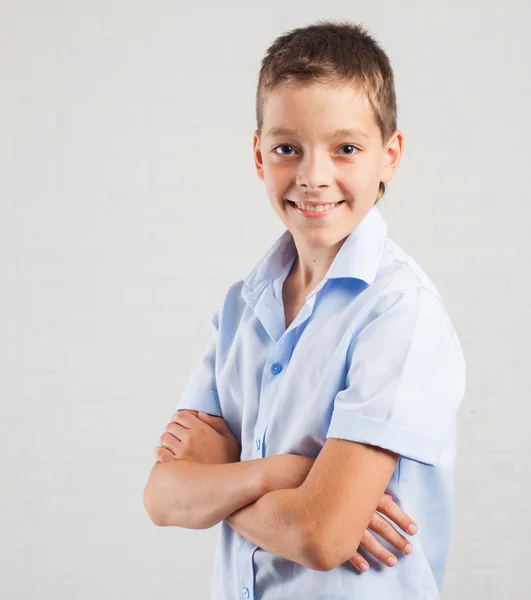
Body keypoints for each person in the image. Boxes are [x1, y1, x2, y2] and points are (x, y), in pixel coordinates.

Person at [143, 19, 467, 600]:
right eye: (288, 148)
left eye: (346, 149)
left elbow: (322, 535)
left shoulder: (399, 312)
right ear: (258, 154)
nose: (314, 177)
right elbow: (163, 498)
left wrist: (221, 485)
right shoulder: (241, 309)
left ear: (389, 155)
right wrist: (283, 476)